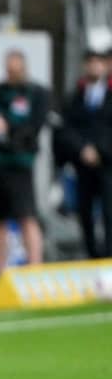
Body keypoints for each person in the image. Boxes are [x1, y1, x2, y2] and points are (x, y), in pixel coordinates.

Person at [0, 50, 48, 273]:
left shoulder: (36, 93)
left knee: (27, 217)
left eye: (17, 69)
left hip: (20, 165)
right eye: (9, 70)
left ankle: (35, 270)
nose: (13, 74)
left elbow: (34, 128)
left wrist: (7, 127)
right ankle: (0, 273)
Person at [56, 50, 112, 258]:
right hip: (83, 165)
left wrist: (99, 150)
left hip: (108, 164)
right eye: (90, 62)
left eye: (99, 62)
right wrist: (83, 150)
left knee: (109, 213)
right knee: (85, 213)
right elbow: (66, 129)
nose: (94, 67)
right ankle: (92, 257)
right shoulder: (75, 97)